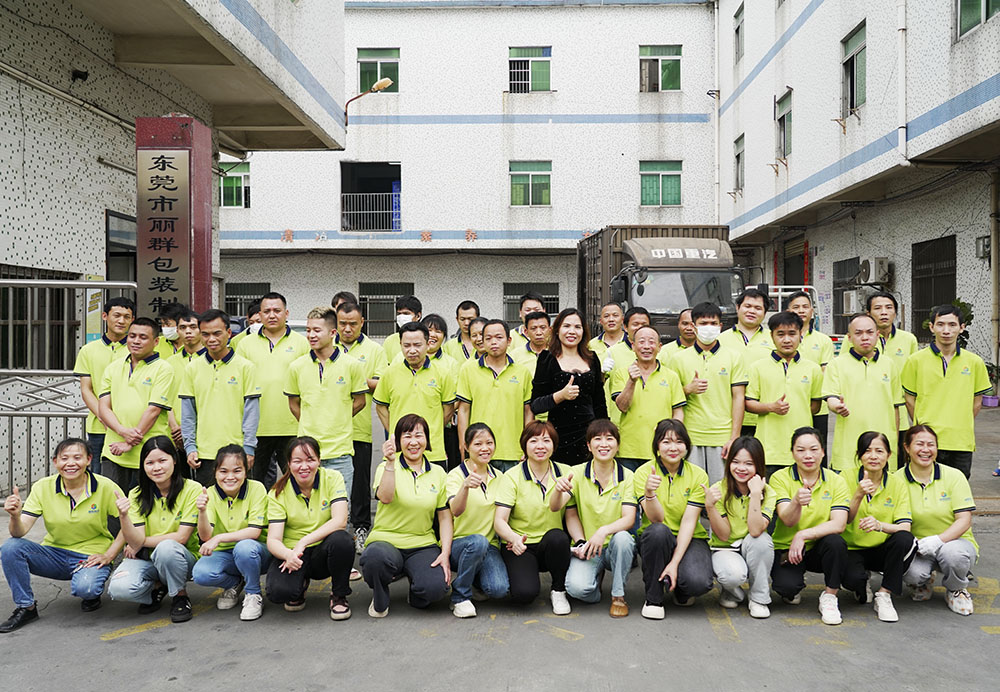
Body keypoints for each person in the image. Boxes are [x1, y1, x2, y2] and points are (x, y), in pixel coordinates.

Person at [0, 439, 125, 632]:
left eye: (77, 457)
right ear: (55, 462)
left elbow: (130, 525)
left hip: (90, 556)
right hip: (54, 555)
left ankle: (91, 592)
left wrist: (109, 555)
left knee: (87, 588)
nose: (71, 463)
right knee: (11, 547)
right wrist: (15, 516)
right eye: (64, 458)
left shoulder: (105, 486)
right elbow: (19, 531)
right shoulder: (43, 487)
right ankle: (26, 607)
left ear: (88, 460)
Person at [360, 415, 452, 617]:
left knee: (436, 588)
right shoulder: (385, 467)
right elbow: (385, 497)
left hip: (422, 544)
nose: (413, 442)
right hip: (386, 541)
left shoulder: (438, 473)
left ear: (426, 439)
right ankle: (380, 595)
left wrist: (445, 554)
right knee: (374, 559)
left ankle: (415, 591)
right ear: (398, 441)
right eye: (407, 436)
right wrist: (390, 463)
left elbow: (445, 517)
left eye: (419, 435)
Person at [107, 436, 201, 623]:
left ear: (174, 460)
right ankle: (158, 585)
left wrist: (140, 543)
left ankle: (180, 595)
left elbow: (181, 537)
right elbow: (135, 540)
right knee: (119, 589)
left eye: (162, 460)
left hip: (181, 559)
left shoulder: (192, 489)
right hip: (147, 560)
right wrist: (124, 516)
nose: (156, 467)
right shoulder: (136, 494)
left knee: (167, 548)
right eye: (150, 463)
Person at [550, 420, 637, 618]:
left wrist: (603, 531)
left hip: (615, 546)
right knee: (577, 590)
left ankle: (618, 596)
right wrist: (557, 491)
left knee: (623, 539)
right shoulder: (576, 473)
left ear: (618, 445)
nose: (603, 444)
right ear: (589, 446)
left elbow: (629, 519)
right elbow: (560, 509)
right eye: (597, 439)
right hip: (588, 548)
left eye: (609, 439)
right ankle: (596, 581)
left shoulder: (628, 476)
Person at [265, 436, 355, 618]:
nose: (304, 466)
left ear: (319, 460)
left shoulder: (332, 478)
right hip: (294, 554)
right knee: (278, 593)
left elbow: (340, 520)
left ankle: (339, 595)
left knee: (343, 540)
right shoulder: (277, 492)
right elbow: (273, 540)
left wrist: (304, 541)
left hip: (323, 551)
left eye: (310, 460)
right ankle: (300, 583)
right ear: (288, 463)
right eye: (297, 461)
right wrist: (288, 555)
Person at [633, 419, 714, 620]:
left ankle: (681, 589)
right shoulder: (643, 473)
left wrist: (674, 563)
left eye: (679, 442)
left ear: (687, 446)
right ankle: (653, 599)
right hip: (656, 538)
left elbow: (689, 522)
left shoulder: (698, 475)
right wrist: (649, 493)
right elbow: (656, 519)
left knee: (698, 582)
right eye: (666, 442)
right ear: (657, 446)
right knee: (658, 531)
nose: (673, 448)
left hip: (689, 537)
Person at [769, 427, 850, 626]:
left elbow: (839, 523)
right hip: (788, 548)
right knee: (787, 588)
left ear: (823, 451)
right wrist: (796, 502)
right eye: (801, 450)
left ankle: (830, 596)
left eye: (814, 449)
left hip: (819, 547)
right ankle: (794, 584)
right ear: (792, 453)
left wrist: (803, 535)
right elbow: (788, 520)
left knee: (836, 542)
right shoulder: (780, 478)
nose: (808, 456)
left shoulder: (836, 480)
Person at [286, 307, 367, 502]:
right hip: (307, 454)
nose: (311, 335)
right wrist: (311, 419)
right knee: (308, 508)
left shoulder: (352, 365)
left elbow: (360, 401)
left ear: (332, 333)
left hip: (340, 453)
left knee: (341, 510)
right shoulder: (296, 367)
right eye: (308, 330)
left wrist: (338, 417)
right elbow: (293, 404)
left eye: (317, 330)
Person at [896, 425, 978, 616]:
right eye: (920, 444)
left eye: (931, 445)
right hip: (918, 547)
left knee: (954, 555)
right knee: (912, 573)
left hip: (954, 541)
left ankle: (956, 588)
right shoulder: (896, 480)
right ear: (907, 447)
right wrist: (913, 543)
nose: (926, 450)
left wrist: (938, 540)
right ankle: (922, 582)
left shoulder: (954, 476)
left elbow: (964, 520)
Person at [901, 304, 990, 478]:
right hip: (926, 441)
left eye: (952, 325)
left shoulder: (974, 362)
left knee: (958, 489)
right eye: (940, 324)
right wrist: (923, 424)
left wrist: (959, 422)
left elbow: (977, 402)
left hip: (961, 441)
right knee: (924, 487)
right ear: (932, 327)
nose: (946, 330)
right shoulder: (915, 361)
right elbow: (909, 400)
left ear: (962, 328)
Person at [494, 420, 572, 615]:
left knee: (558, 537)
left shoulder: (566, 473)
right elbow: (499, 521)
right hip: (520, 545)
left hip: (550, 546)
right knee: (524, 594)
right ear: (524, 445)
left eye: (546, 440)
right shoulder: (511, 476)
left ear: (554, 445)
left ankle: (558, 590)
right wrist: (513, 538)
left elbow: (560, 509)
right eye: (534, 441)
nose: (540, 446)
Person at [236, 292, 310, 487]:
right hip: (256, 428)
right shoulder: (245, 345)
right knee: (254, 484)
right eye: (267, 311)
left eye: (277, 310)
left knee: (296, 482)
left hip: (292, 426)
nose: (272, 315)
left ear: (286, 313)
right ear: (260, 315)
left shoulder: (302, 344)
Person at [669, 302, 748, 484]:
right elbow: (669, 397)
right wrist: (688, 389)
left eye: (713, 323)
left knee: (721, 489)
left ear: (720, 326)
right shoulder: (678, 359)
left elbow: (738, 397)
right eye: (703, 323)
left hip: (722, 436)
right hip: (689, 435)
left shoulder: (734, 357)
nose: (709, 328)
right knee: (692, 487)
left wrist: (734, 437)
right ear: (694, 326)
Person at [180, 309, 260, 486]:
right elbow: (188, 413)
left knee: (239, 500)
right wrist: (190, 447)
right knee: (206, 501)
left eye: (217, 333)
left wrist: (248, 448)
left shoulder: (246, 367)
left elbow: (252, 413)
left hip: (238, 452)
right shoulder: (192, 368)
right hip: (204, 453)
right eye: (205, 334)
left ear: (228, 333)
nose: (211, 339)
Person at [841, 432, 915, 623]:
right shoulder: (845, 477)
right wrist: (858, 494)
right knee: (853, 581)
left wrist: (879, 525)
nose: (873, 456)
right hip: (852, 548)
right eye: (867, 451)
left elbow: (905, 527)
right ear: (859, 455)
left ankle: (885, 593)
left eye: (879, 451)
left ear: (889, 455)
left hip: (881, 549)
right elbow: (843, 521)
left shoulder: (897, 483)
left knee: (905, 539)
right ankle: (861, 581)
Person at [191, 445, 270, 621]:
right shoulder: (210, 493)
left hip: (255, 552)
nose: (230, 477)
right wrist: (202, 511)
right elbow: (205, 537)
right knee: (201, 574)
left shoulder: (257, 488)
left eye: (237, 470)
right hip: (225, 553)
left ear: (246, 471)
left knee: (244, 547)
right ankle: (234, 583)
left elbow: (254, 531)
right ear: (215, 472)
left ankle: (253, 593)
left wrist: (219, 538)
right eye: (223, 471)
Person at [98, 317, 176, 491]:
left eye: (143, 337)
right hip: (113, 451)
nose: (136, 341)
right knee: (113, 503)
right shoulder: (113, 367)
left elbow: (154, 410)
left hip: (151, 452)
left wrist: (130, 442)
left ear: (156, 342)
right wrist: (122, 431)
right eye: (132, 336)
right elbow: (103, 407)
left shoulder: (164, 369)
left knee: (148, 503)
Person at [334, 301, 387, 553]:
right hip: (329, 431)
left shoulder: (374, 349)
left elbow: (382, 382)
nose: (347, 329)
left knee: (360, 484)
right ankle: (335, 530)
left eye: (353, 324)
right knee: (332, 483)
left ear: (362, 322)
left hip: (360, 429)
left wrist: (353, 378)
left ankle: (361, 528)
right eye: (342, 324)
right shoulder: (327, 347)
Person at [704, 436, 775, 618]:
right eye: (735, 462)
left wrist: (756, 494)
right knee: (732, 575)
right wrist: (710, 506)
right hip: (725, 548)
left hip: (751, 545)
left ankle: (758, 599)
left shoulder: (768, 492)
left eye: (749, 464)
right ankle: (732, 591)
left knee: (762, 541)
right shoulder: (718, 489)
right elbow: (724, 535)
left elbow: (755, 530)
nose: (741, 468)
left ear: (758, 465)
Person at [745, 312, 823, 476]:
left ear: (800, 335)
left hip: (803, 450)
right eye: (780, 334)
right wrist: (771, 407)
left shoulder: (813, 369)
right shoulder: (757, 367)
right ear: (771, 337)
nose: (786, 340)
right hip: (768, 449)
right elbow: (749, 403)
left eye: (792, 334)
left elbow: (815, 406)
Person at [823, 313, 903, 472]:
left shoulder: (889, 365)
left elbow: (895, 407)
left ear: (877, 335)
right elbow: (831, 396)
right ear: (849, 337)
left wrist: (894, 443)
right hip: (847, 449)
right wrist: (837, 406)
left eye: (869, 332)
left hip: (882, 448)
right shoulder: (836, 365)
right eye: (858, 333)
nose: (865, 337)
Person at [445, 423, 510, 618]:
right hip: (460, 545)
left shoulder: (500, 476)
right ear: (466, 447)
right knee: (477, 542)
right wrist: (465, 487)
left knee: (499, 589)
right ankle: (460, 596)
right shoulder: (455, 475)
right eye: (478, 444)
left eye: (489, 443)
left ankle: (472, 579)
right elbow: (456, 511)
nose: (485, 448)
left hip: (489, 546)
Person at [530, 308, 608, 465]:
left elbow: (599, 403)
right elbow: (536, 405)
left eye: (577, 327)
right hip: (558, 437)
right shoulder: (547, 359)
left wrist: (604, 434)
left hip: (589, 437)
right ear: (557, 330)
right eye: (566, 326)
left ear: (583, 332)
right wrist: (560, 395)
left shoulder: (592, 358)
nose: (572, 331)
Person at [374, 322, 457, 469]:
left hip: (433, 452)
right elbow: (380, 407)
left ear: (427, 344)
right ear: (400, 345)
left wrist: (433, 428)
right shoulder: (389, 373)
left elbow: (448, 408)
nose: (412, 350)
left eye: (417, 345)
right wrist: (396, 430)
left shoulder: (443, 373)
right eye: (407, 345)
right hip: (399, 453)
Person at [456, 319, 534, 474]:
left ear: (509, 341)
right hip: (479, 450)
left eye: (499, 337)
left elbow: (528, 412)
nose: (493, 342)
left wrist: (526, 445)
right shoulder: (468, 369)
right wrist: (463, 444)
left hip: (514, 452)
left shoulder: (522, 372)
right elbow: (463, 410)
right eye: (488, 338)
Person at [612, 325, 685, 472]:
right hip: (629, 450)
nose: (646, 346)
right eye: (641, 342)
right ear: (633, 346)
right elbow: (622, 406)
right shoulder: (621, 373)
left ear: (659, 347)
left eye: (651, 342)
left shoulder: (671, 376)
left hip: (661, 448)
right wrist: (631, 381)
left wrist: (672, 436)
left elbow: (678, 411)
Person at [73, 296, 134, 470]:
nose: (121, 321)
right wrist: (104, 416)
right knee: (99, 475)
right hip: (99, 427)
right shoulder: (88, 350)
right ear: (105, 316)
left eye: (127, 317)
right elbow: (86, 389)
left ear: (132, 320)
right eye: (117, 315)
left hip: (131, 425)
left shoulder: (136, 349)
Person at [868, 291, 919, 456]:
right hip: (867, 412)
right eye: (878, 308)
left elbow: (914, 378)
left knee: (897, 458)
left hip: (900, 413)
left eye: (889, 307)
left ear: (895, 312)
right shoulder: (859, 339)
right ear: (868, 313)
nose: (884, 312)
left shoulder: (909, 339)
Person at [718, 288, 772, 435]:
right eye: (747, 306)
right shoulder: (720, 340)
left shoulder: (774, 339)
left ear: (765, 313)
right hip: (728, 418)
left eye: (758, 308)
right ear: (737, 308)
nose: (752, 311)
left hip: (765, 417)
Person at [787, 291, 834, 450]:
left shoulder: (823, 340)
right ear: (788, 311)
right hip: (790, 404)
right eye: (796, 307)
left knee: (817, 449)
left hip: (818, 407)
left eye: (805, 307)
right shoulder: (783, 339)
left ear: (812, 310)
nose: (801, 310)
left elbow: (825, 372)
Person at [165, 307, 205, 452]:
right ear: (177, 331)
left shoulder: (211, 360)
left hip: (204, 432)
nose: (188, 331)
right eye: (183, 327)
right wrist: (175, 427)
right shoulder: (169, 363)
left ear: (201, 330)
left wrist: (189, 429)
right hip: (173, 434)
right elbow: (164, 398)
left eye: (193, 327)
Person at [588, 302, 626, 426]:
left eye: (615, 315)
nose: (611, 319)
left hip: (623, 409)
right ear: (601, 321)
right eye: (606, 316)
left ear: (622, 319)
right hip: (598, 409)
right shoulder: (591, 345)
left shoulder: (632, 345)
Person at [382, 295, 422, 364]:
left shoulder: (426, 339)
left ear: (418, 316)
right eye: (399, 314)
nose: (401, 317)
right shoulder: (389, 341)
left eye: (406, 313)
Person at [511, 310, 551, 376]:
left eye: (543, 328)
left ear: (550, 330)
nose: (539, 333)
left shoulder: (557, 353)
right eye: (533, 328)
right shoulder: (514, 355)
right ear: (526, 332)